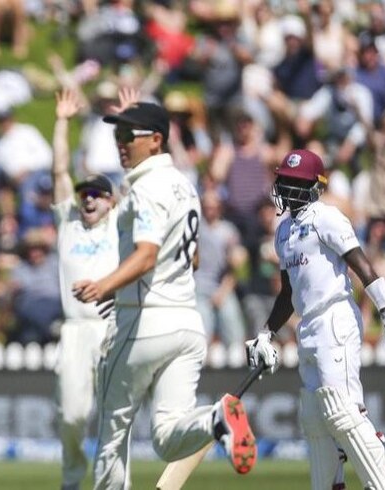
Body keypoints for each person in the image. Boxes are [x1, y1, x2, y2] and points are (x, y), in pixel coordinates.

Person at [72, 102, 257, 489]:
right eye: (117, 135)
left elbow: (147, 254)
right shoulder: (184, 186)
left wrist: (107, 285)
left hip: (144, 323)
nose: (120, 144)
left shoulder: (147, 188)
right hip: (187, 324)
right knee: (169, 438)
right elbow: (192, 258)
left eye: (129, 136)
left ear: (156, 141)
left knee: (112, 433)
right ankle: (216, 418)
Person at [244, 149, 385, 490]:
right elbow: (287, 293)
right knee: (314, 419)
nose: (286, 188)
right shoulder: (283, 232)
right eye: (284, 181)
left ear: (313, 187)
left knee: (343, 413)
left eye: (294, 182)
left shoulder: (328, 218)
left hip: (335, 319)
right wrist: (267, 333)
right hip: (307, 327)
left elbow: (362, 265)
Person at [51, 88, 121, 490]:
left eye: (97, 194)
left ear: (112, 201)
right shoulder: (68, 223)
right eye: (85, 194)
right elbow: (60, 171)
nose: (89, 199)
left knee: (114, 416)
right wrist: (62, 121)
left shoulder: (119, 224)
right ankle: (73, 480)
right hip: (76, 329)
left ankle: (112, 484)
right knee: (73, 416)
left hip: (111, 328)